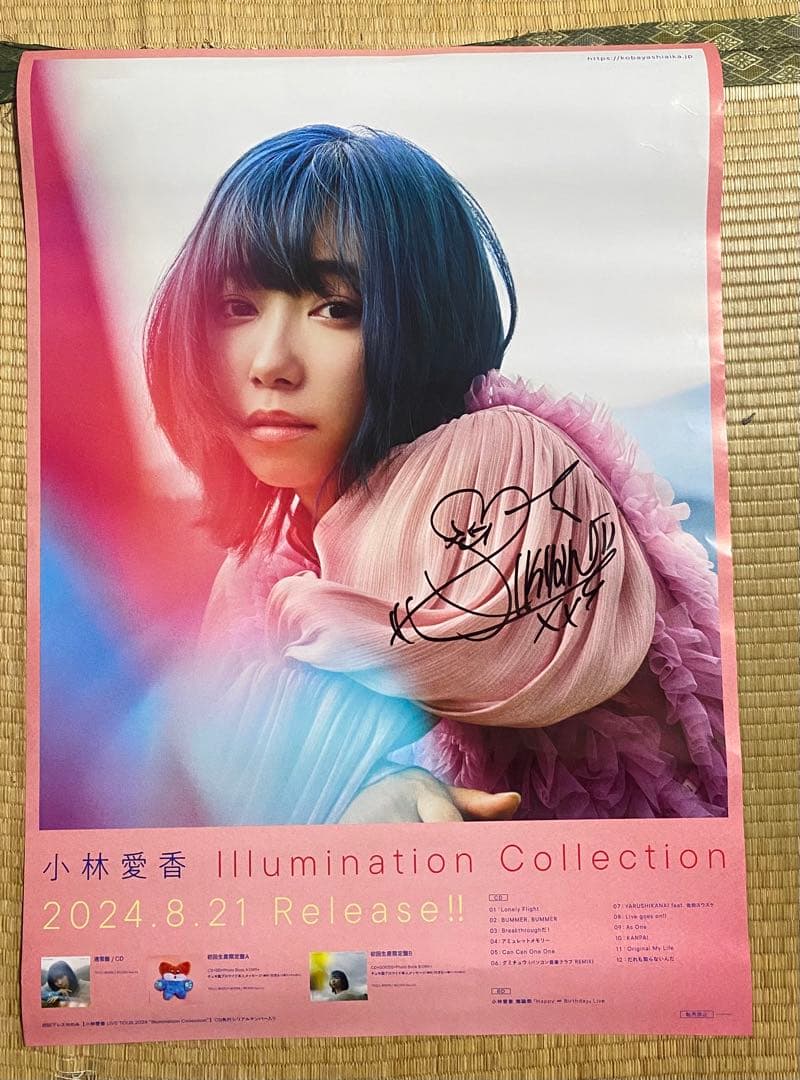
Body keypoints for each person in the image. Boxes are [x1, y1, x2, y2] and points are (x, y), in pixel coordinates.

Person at [142, 124, 726, 824]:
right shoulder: (263, 566)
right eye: (238, 308)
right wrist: (370, 790)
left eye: (337, 309)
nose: (271, 363)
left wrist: (368, 787)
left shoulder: (503, 461)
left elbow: (463, 665)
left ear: (423, 320)